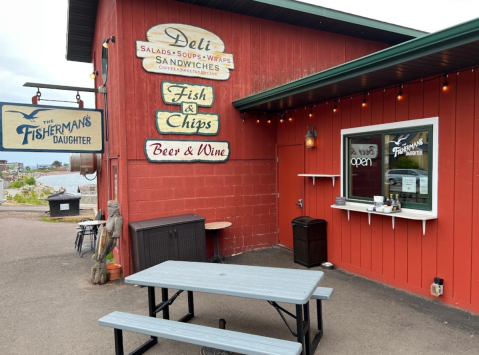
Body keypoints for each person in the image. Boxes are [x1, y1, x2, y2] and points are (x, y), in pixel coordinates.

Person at [91, 200, 123, 284]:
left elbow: (116, 235)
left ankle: (101, 277)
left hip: (109, 240)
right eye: (108, 207)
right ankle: (96, 277)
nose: (108, 209)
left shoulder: (117, 219)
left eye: (110, 207)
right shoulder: (110, 217)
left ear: (115, 208)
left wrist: (106, 250)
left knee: (101, 258)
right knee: (98, 258)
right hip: (103, 238)